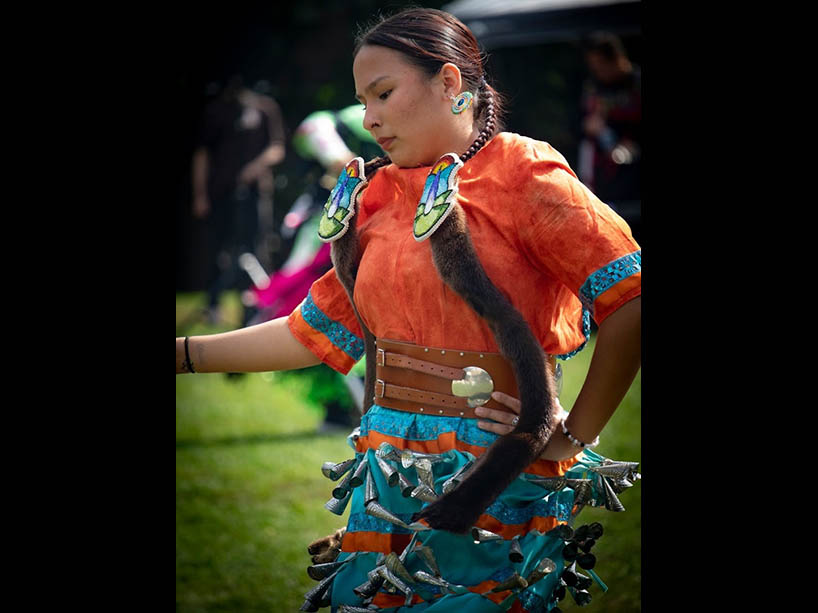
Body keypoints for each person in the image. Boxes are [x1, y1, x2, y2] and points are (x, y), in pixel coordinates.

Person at [177, 8, 641, 612]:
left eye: (384, 94)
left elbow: (629, 298)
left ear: (449, 84)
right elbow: (310, 332)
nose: (369, 119)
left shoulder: (526, 174)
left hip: (491, 480)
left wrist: (573, 436)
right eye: (361, 100)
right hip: (385, 478)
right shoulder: (381, 195)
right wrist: (183, 356)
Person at [191, 74, 287, 323]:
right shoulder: (215, 111)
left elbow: (277, 147)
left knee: (256, 247)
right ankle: (213, 307)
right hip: (219, 192)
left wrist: (255, 168)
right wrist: (200, 195)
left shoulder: (265, 107)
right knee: (219, 250)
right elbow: (202, 154)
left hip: (255, 192)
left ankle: (258, 304)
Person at [578, 32, 642, 243]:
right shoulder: (593, 88)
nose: (598, 71)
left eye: (601, 65)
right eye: (594, 67)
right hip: (605, 175)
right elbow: (583, 123)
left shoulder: (635, 84)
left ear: (616, 58)